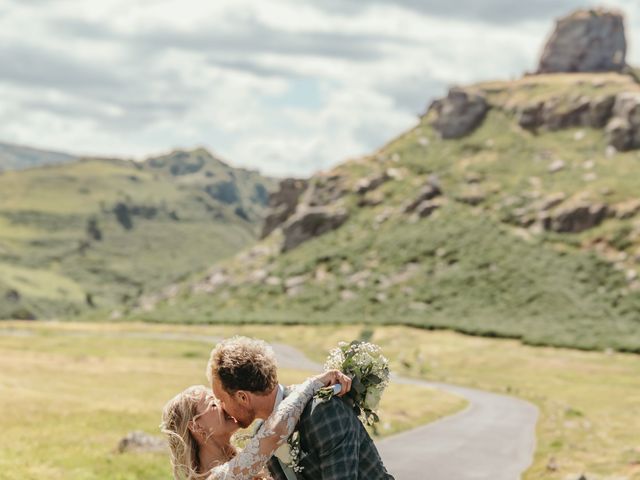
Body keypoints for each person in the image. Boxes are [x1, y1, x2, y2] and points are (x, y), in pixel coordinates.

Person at [208, 336, 395, 480]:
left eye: (221, 399)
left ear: (243, 397)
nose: (221, 408)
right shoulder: (263, 435)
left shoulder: (323, 411)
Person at [161, 368, 351, 480]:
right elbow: (275, 431)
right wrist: (313, 384)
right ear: (196, 426)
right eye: (213, 403)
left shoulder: (241, 461)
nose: (224, 404)